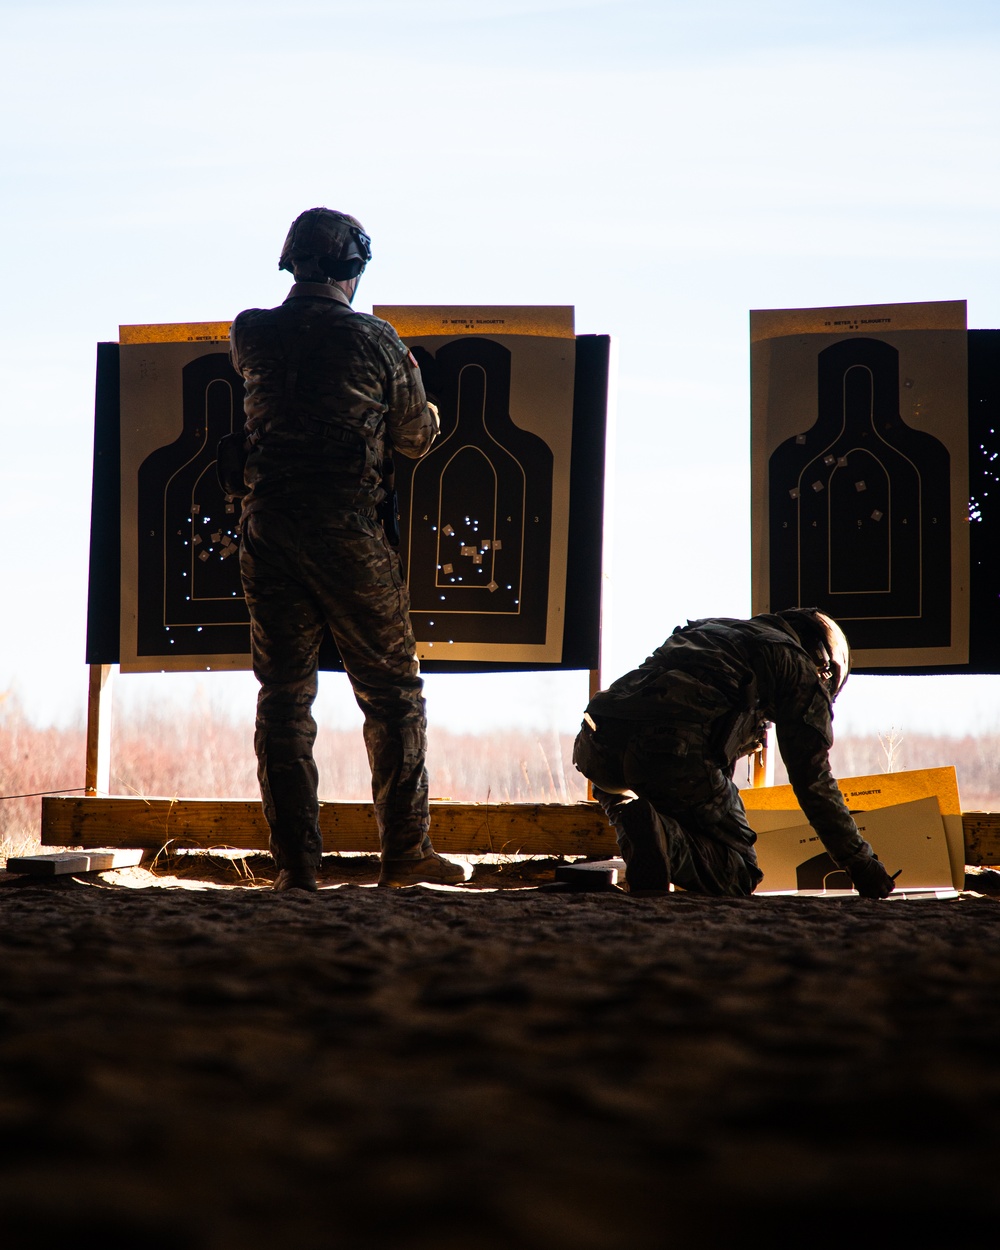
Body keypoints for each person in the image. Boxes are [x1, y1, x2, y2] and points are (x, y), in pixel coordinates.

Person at [230, 207, 469, 892]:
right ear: (353, 269)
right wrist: (424, 392)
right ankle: (405, 855)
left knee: (282, 699)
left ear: (293, 261)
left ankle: (296, 867)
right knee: (393, 695)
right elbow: (415, 437)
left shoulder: (250, 331)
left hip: (266, 527)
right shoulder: (377, 341)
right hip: (346, 529)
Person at [573, 609, 896, 899]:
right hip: (671, 753)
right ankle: (666, 838)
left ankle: (638, 818)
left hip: (598, 745)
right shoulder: (794, 663)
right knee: (738, 872)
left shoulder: (707, 632)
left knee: (628, 797)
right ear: (823, 664)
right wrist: (859, 863)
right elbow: (813, 780)